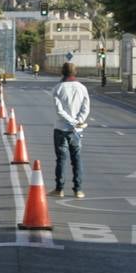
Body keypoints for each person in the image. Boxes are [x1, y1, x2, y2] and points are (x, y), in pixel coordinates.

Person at [52, 61, 91, 198]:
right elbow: (86, 108)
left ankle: (59, 189)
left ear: (62, 72)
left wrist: (71, 121)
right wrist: (78, 121)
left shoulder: (58, 88)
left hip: (61, 128)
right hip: (77, 131)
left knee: (61, 159)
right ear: (76, 72)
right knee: (77, 159)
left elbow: (59, 111)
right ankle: (78, 189)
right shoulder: (82, 88)